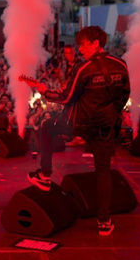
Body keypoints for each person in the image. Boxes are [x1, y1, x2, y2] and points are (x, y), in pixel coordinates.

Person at [27, 26, 130, 236]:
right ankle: (104, 221)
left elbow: (66, 97)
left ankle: (45, 174)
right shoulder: (121, 65)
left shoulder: (84, 68)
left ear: (95, 43)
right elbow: (124, 96)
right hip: (105, 127)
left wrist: (45, 92)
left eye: (82, 44)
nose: (80, 49)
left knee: (47, 126)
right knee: (103, 171)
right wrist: (111, 115)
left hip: (80, 123)